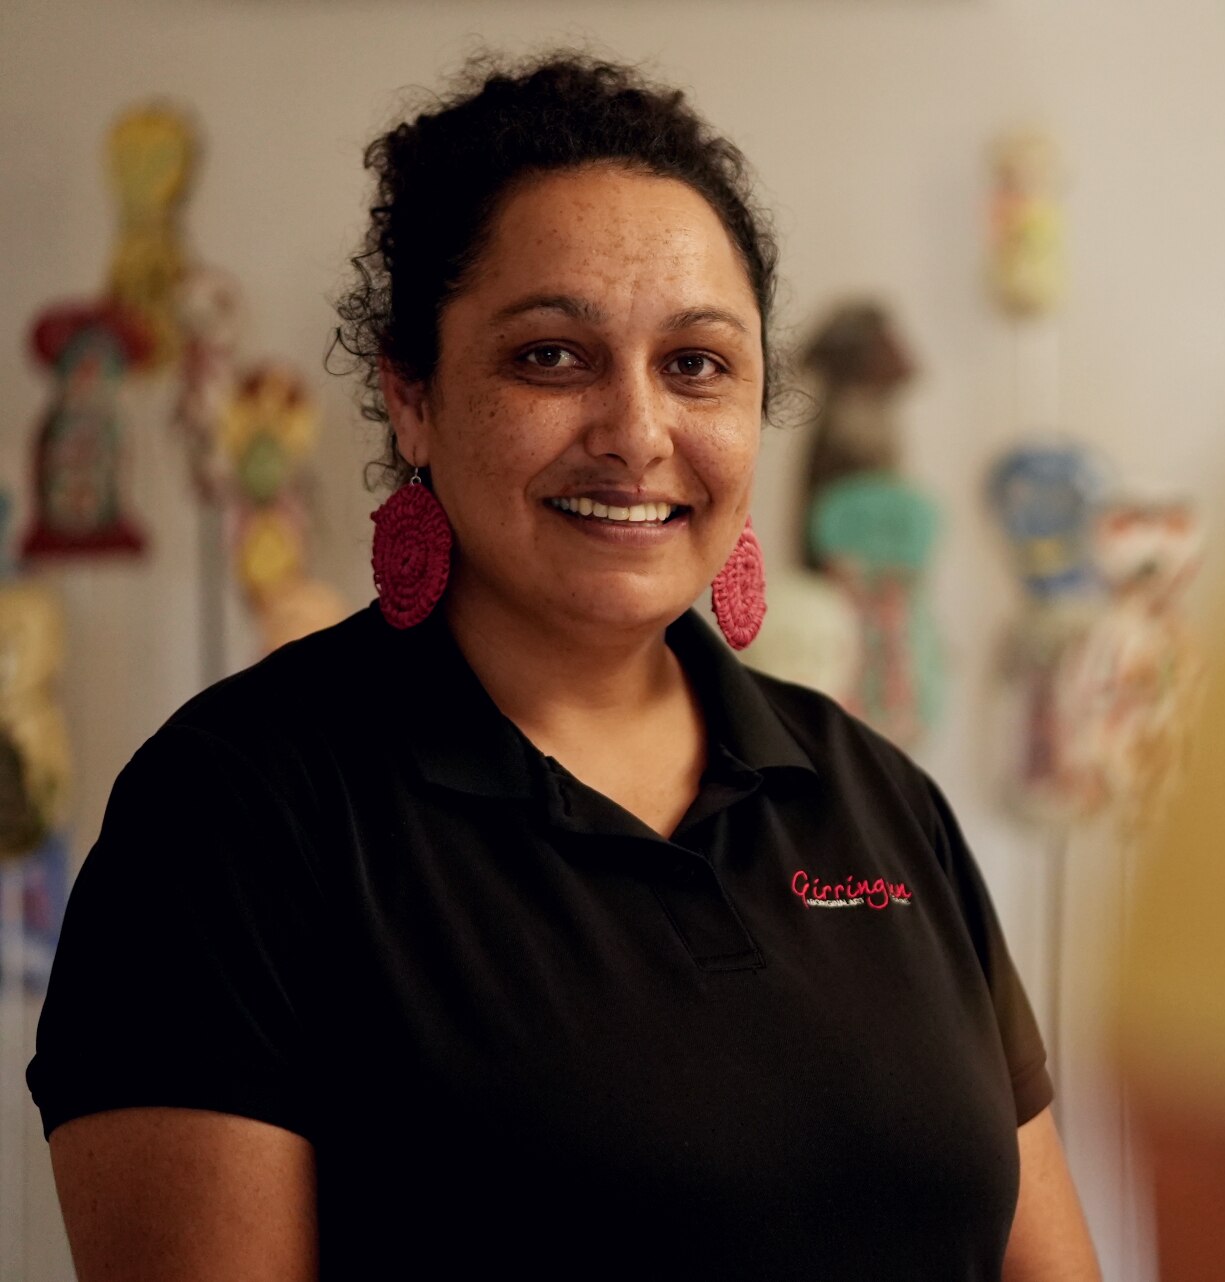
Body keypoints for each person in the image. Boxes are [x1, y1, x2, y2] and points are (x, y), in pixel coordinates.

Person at [28, 54, 1100, 1281]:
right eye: (551, 357)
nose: (637, 433)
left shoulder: (877, 799)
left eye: (696, 363)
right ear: (412, 396)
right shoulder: (233, 813)